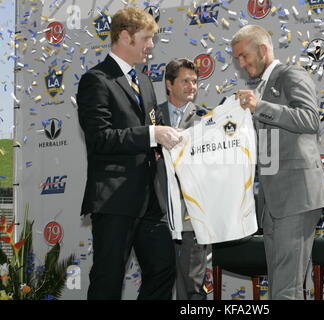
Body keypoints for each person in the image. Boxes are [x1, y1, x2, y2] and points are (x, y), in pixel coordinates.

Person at [76, 7, 182, 300]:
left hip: (150, 199)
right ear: (124, 36)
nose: (151, 46)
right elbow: (100, 138)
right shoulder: (96, 80)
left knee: (164, 269)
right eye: (146, 38)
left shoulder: (145, 82)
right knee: (108, 281)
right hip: (115, 199)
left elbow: (152, 134)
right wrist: (152, 134)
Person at [231, 25, 324, 300]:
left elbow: (310, 120)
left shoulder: (291, 74)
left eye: (243, 55)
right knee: (281, 287)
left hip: (296, 195)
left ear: (263, 49)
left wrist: (259, 107)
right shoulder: (262, 87)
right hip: (273, 201)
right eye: (236, 58)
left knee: (286, 289)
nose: (240, 63)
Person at [156, 58, 209, 300]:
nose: (191, 86)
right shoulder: (151, 119)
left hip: (192, 216)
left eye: (195, 81)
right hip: (157, 215)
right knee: (158, 283)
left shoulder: (207, 120)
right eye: (185, 81)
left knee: (192, 286)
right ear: (169, 84)